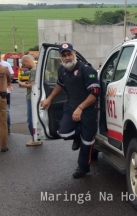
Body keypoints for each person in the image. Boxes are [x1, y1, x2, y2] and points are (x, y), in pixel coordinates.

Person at [40, 43, 100, 179]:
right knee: (64, 132)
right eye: (64, 55)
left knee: (87, 141)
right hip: (71, 107)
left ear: (74, 54)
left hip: (88, 110)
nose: (67, 57)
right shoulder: (62, 70)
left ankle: (83, 167)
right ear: (60, 57)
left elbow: (95, 93)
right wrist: (49, 98)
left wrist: (80, 108)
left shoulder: (87, 70)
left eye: (69, 54)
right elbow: (60, 85)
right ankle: (77, 137)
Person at [18, 55, 42, 146]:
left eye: (24, 64)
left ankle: (35, 138)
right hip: (35, 97)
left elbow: (32, 85)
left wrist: (22, 84)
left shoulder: (33, 70)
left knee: (30, 119)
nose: (24, 66)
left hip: (31, 97)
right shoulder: (37, 69)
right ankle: (36, 138)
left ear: (27, 61)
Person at [0, 57, 13, 135]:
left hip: (2, 92)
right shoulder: (5, 65)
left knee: (3, 111)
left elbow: (11, 75)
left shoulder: (5, 64)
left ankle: (3, 128)